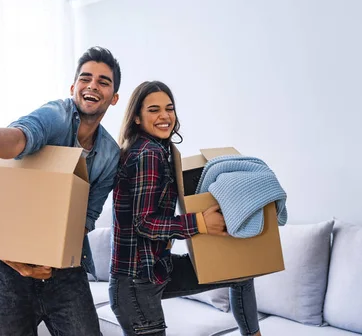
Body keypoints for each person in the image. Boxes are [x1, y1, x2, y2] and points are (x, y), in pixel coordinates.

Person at [0, 46, 122, 336]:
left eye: (103, 81)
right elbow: (19, 137)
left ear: (113, 98)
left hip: (62, 272)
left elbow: (86, 218)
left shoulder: (111, 155)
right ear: (74, 87)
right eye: (86, 78)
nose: (92, 85)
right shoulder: (57, 115)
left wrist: (48, 255)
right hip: (5, 267)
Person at [110, 80, 262, 336]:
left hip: (156, 271)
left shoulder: (161, 149)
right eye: (154, 110)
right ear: (136, 117)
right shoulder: (147, 153)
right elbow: (144, 222)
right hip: (136, 284)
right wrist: (200, 223)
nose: (164, 116)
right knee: (240, 274)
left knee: (240, 272)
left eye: (169, 109)